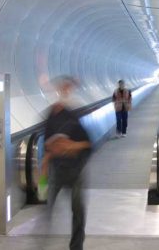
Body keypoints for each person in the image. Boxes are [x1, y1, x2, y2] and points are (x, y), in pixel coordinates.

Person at [41, 76, 91, 250]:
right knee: (47, 208)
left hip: (76, 169)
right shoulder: (51, 115)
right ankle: (42, 240)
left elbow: (87, 143)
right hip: (57, 169)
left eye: (67, 88)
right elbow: (47, 145)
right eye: (62, 88)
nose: (64, 91)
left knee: (77, 211)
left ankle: (76, 246)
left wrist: (71, 146)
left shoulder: (75, 115)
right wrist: (44, 168)